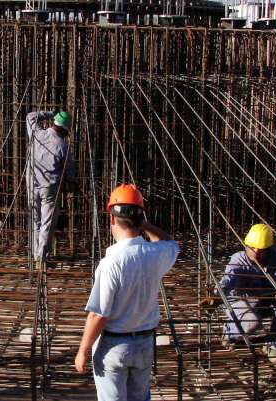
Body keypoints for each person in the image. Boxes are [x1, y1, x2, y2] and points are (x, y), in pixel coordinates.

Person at [74, 184, 179, 401]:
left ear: (112, 219)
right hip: (144, 344)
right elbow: (170, 242)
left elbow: (98, 314)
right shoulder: (155, 254)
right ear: (140, 219)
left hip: (114, 346)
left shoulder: (111, 263)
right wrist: (146, 225)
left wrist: (83, 350)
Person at [218, 224, 276, 364]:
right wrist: (218, 293)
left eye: (261, 250)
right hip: (242, 300)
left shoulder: (275, 256)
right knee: (252, 322)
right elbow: (228, 279)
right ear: (246, 245)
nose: (256, 252)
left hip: (266, 298)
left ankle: (272, 346)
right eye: (253, 248)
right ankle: (229, 334)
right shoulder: (238, 259)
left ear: (268, 249)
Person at [25, 110, 77, 268]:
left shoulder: (36, 134)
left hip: (31, 184)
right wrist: (72, 186)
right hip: (50, 188)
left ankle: (35, 254)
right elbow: (69, 172)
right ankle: (41, 257)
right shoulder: (63, 145)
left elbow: (30, 116)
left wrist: (48, 113)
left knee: (34, 220)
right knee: (46, 223)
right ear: (64, 129)